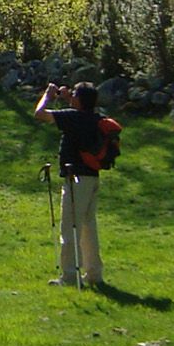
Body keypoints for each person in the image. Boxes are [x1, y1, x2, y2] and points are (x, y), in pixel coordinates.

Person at [34, 81, 102, 287]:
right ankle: (93, 273)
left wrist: (48, 95)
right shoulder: (95, 118)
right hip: (92, 178)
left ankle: (70, 276)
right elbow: (76, 113)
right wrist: (67, 98)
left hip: (75, 180)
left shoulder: (72, 118)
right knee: (88, 227)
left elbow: (40, 114)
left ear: (79, 100)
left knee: (70, 227)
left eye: (74, 94)